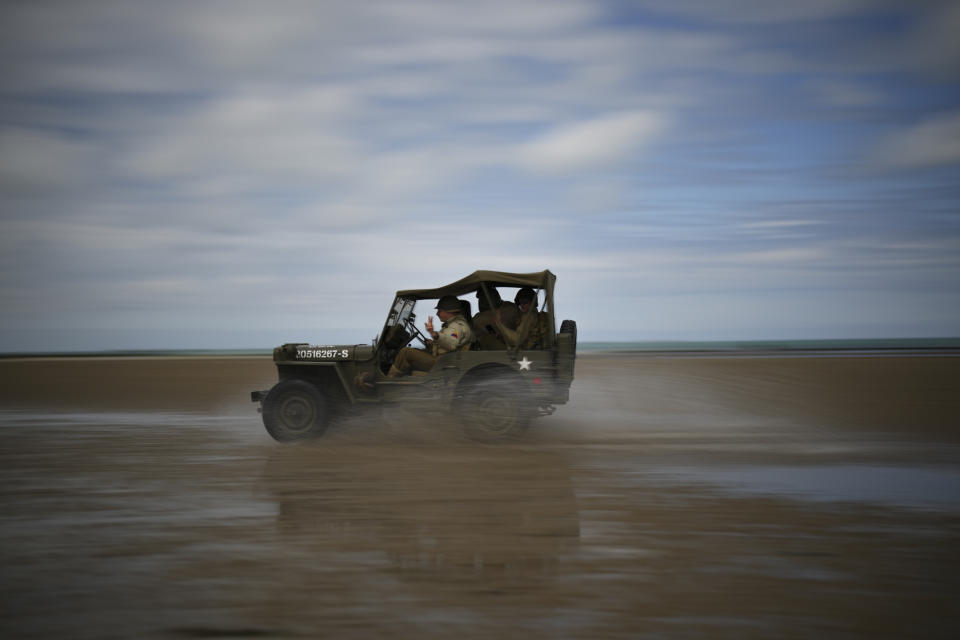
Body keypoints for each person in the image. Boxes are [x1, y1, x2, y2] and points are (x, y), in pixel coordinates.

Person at [388, 295, 473, 377]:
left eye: (440, 311)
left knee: (405, 352)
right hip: (445, 360)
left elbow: (451, 343)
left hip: (443, 362)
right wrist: (432, 344)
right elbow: (448, 344)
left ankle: (389, 381)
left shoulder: (456, 326)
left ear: (449, 311)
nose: (437, 314)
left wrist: (435, 334)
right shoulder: (455, 324)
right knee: (415, 350)